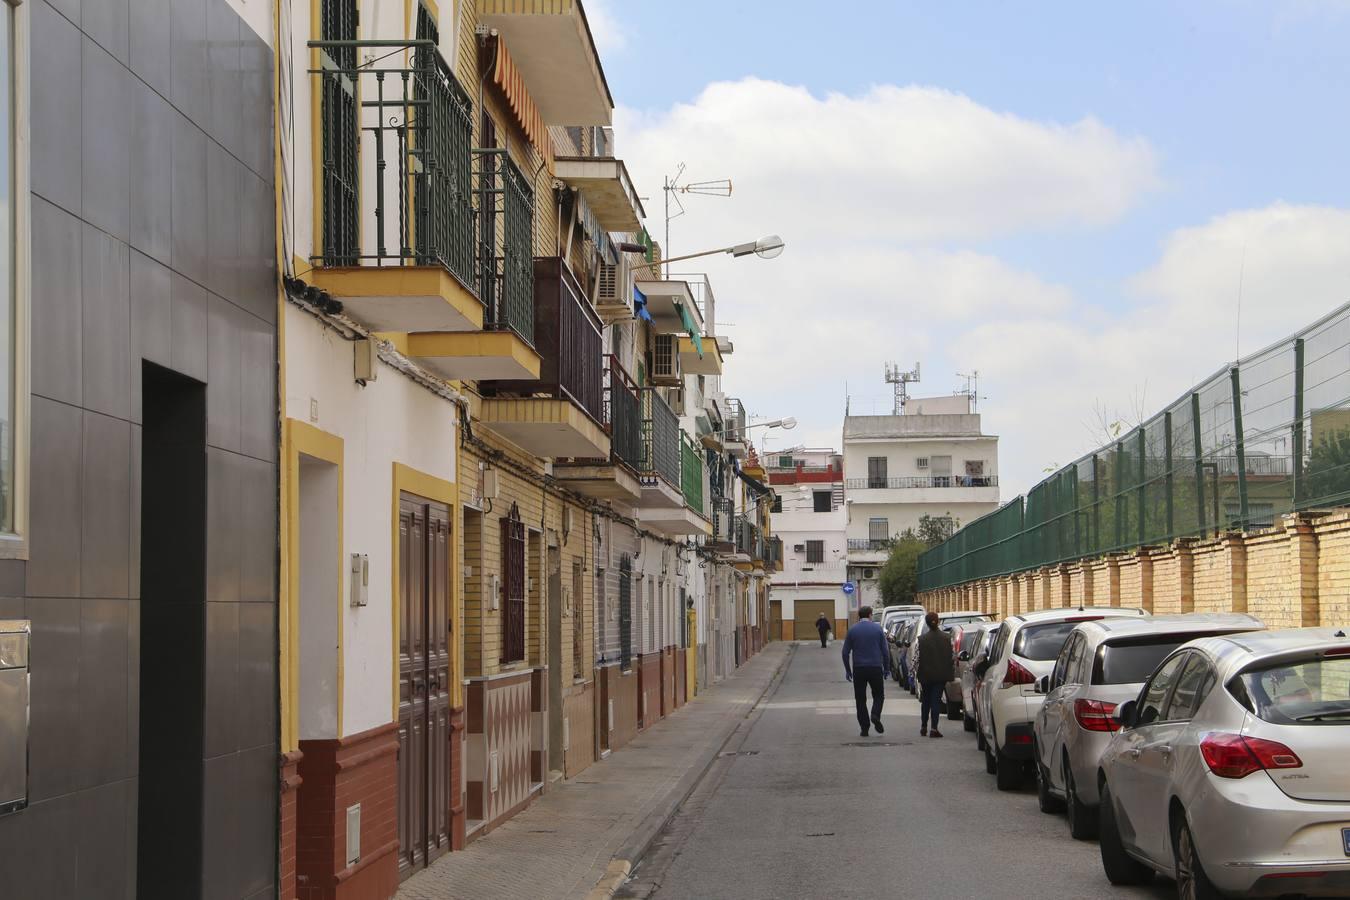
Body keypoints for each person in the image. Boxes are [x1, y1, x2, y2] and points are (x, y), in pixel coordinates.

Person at [841, 605, 889, 737]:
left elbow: (845, 653)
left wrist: (848, 670)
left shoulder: (852, 630)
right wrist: (887, 669)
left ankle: (864, 727)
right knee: (879, 695)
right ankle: (875, 714)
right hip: (875, 667)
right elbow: (885, 652)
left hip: (859, 669)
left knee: (860, 699)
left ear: (859, 616)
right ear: (870, 615)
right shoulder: (878, 629)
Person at [915, 611, 955, 738]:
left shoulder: (921, 640)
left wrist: (915, 673)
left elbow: (916, 659)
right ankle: (934, 728)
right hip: (940, 675)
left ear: (926, 623)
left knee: (925, 700)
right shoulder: (947, 638)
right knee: (935, 701)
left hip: (925, 675)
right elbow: (952, 657)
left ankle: (923, 726)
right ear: (938, 622)